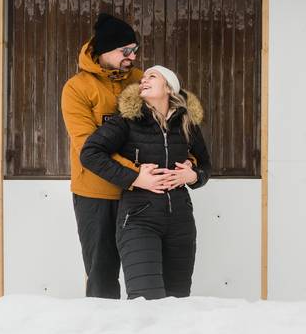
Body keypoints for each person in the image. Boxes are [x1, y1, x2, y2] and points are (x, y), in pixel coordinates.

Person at [61, 13, 168, 299]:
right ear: (104, 49)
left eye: (135, 50)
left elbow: (169, 122)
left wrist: (189, 165)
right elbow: (87, 148)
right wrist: (136, 174)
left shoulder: (139, 80)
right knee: (101, 272)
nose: (132, 57)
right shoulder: (77, 88)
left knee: (146, 272)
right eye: (126, 51)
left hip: (141, 193)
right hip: (97, 194)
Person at [80, 65, 211, 299]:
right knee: (146, 301)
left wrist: (193, 177)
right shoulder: (127, 121)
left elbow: (206, 166)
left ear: (169, 88)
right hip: (138, 220)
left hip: (180, 221)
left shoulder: (187, 124)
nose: (143, 81)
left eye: (153, 76)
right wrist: (135, 177)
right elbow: (90, 153)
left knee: (178, 300)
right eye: (143, 78)